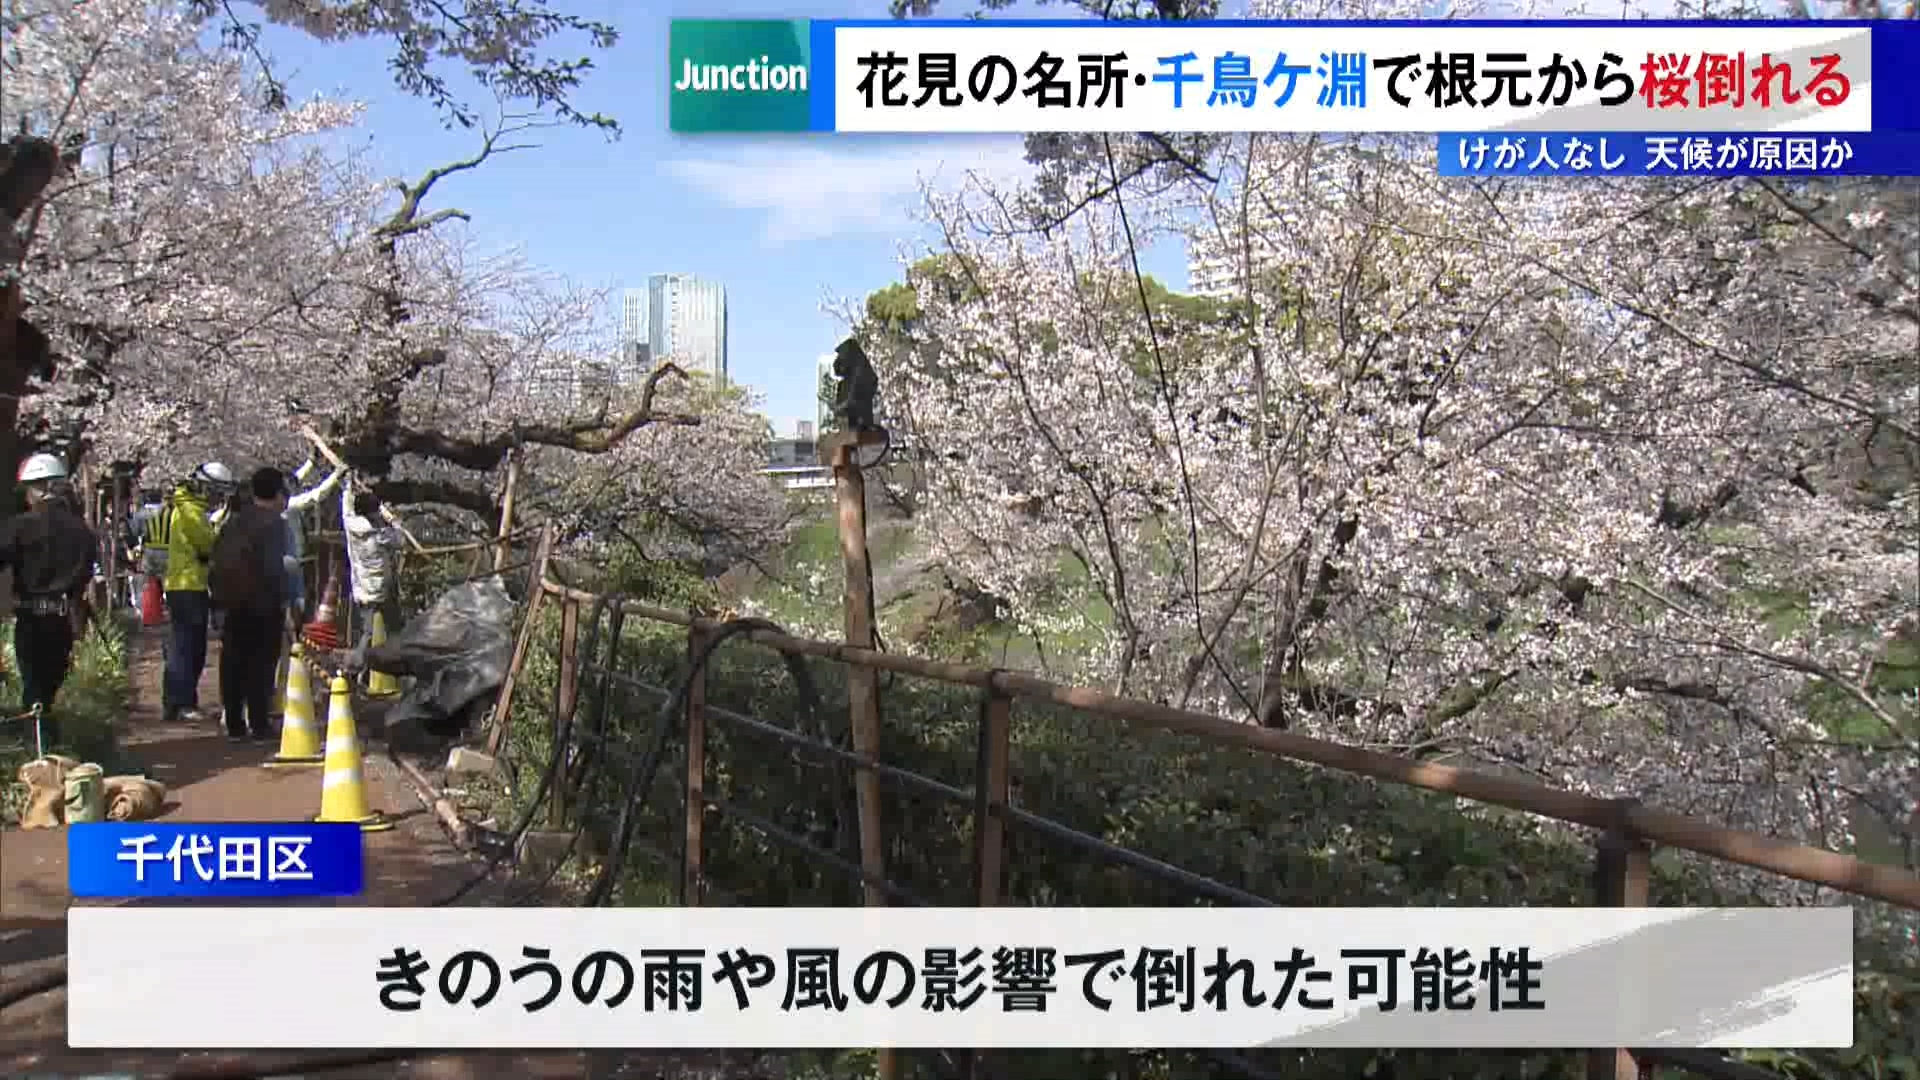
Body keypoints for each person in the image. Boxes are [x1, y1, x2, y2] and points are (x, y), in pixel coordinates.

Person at [0, 453, 99, 747]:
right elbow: (84, 576)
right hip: (63, 619)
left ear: (40, 487)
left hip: (31, 617)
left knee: (34, 688)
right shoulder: (82, 531)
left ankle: (40, 749)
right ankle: (48, 743)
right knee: (50, 686)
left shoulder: (20, 527)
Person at [209, 467, 290, 742]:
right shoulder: (275, 524)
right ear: (279, 493)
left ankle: (233, 722)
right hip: (263, 603)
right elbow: (276, 567)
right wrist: (287, 600)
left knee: (233, 660)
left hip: (232, 601)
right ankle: (259, 723)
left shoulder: (233, 521)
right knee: (262, 663)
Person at [153, 461, 228, 724]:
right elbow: (209, 546)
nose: (218, 498)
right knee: (188, 647)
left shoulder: (186, 507)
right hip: (188, 585)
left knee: (185, 646)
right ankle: (182, 703)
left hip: (184, 584)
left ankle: (178, 701)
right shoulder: (191, 512)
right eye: (216, 491)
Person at [283, 456, 345, 627]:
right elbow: (316, 496)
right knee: (302, 598)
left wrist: (311, 462)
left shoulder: (283, 501)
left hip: (300, 558)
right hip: (299, 560)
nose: (298, 486)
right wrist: (336, 475)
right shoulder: (290, 504)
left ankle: (300, 630)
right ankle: (300, 632)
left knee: (304, 596)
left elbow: (296, 479)